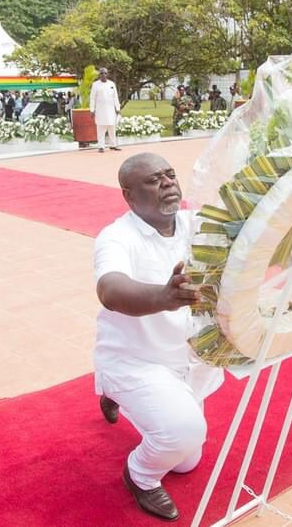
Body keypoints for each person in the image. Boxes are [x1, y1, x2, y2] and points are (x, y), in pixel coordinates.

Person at [94, 153, 223, 521]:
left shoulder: (193, 223)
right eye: (153, 180)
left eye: (170, 174)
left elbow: (247, 229)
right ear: (129, 196)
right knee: (182, 432)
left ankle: (120, 396)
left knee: (186, 461)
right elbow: (111, 290)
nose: (167, 182)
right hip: (135, 360)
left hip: (183, 359)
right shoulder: (116, 237)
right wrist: (164, 298)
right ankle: (140, 476)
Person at [90, 67, 121, 153]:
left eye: (105, 73)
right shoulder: (95, 85)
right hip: (100, 110)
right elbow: (92, 98)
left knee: (112, 128)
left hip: (111, 110)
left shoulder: (111, 84)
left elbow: (115, 97)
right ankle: (101, 146)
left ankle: (113, 145)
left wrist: (117, 108)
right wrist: (92, 110)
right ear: (99, 75)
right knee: (101, 128)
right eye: (102, 73)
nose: (103, 75)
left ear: (107, 74)